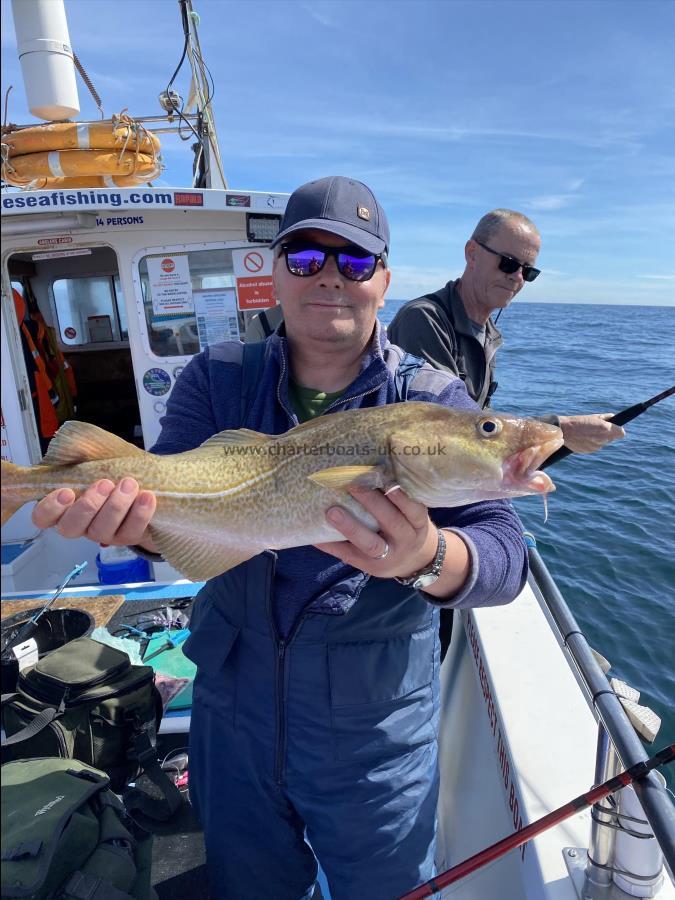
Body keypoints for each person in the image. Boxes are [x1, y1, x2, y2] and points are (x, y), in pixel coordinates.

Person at [32, 177, 528, 899]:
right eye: (304, 259)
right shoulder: (216, 376)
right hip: (232, 713)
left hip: (372, 732)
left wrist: (426, 558)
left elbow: (504, 558)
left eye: (354, 263)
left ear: (383, 280)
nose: (330, 278)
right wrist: (131, 532)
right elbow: (171, 527)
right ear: (273, 274)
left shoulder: (431, 400)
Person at [387, 208, 625, 454]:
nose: (518, 278)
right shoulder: (424, 319)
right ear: (472, 253)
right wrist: (558, 431)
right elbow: (445, 428)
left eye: (528, 271)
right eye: (508, 264)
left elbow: (476, 415)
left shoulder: (487, 332)